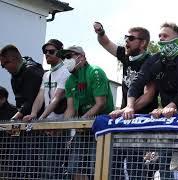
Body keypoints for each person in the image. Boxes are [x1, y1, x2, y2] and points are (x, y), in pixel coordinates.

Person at [60, 45, 114, 180]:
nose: (65, 60)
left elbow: (100, 104)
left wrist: (80, 122)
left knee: (96, 168)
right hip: (82, 129)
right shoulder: (70, 81)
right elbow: (70, 109)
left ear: (81, 57)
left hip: (101, 129)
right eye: (63, 58)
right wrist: (62, 126)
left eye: (68, 56)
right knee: (74, 168)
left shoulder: (95, 72)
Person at [126, 22, 178, 119]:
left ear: (176, 39)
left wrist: (172, 105)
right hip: (166, 113)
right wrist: (129, 107)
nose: (161, 38)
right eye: (159, 36)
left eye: (165, 36)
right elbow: (137, 82)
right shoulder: (154, 59)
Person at [93, 23, 158, 118]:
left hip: (145, 117)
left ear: (143, 43)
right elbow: (106, 43)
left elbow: (148, 96)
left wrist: (125, 110)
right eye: (126, 37)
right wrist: (100, 32)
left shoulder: (151, 62)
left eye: (131, 38)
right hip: (126, 114)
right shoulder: (125, 54)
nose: (126, 40)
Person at [23, 39, 70, 121]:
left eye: (51, 51)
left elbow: (57, 98)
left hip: (62, 122)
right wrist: (33, 114)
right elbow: (40, 97)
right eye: (45, 51)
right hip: (47, 120)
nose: (47, 54)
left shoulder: (66, 72)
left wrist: (40, 119)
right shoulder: (46, 74)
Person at [0, 45, 44, 120]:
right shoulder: (15, 74)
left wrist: (14, 118)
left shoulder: (31, 72)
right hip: (26, 119)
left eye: (4, 64)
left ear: (13, 59)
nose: (3, 67)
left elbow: (30, 100)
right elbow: (20, 102)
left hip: (39, 119)